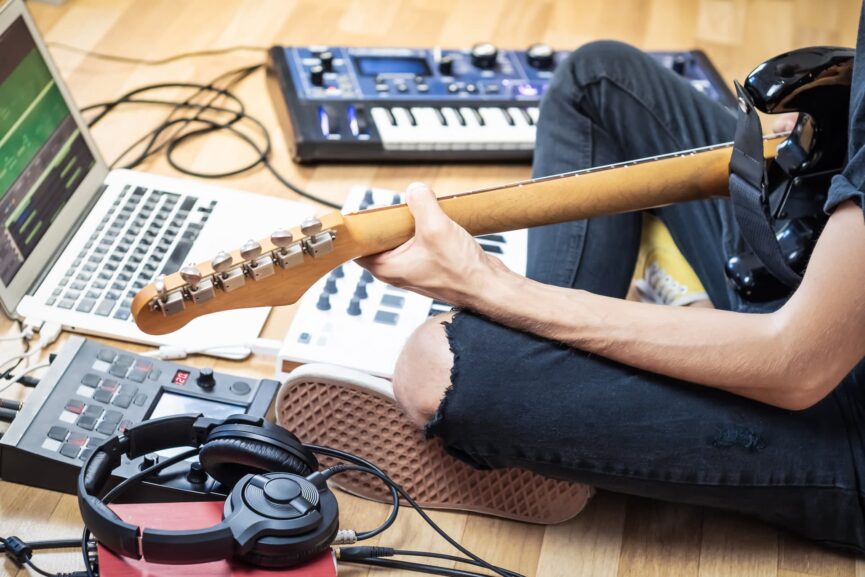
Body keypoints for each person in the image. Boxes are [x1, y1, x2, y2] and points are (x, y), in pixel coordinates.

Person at [357, 16, 865, 556]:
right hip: (826, 278)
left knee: (433, 363)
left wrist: (489, 285)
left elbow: (797, 366)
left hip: (838, 412)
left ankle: (551, 408)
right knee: (599, 80)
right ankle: (559, 395)